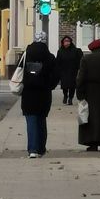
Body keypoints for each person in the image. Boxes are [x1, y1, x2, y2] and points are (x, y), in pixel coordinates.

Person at [19, 30, 59, 158]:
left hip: (28, 93)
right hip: (44, 94)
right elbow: (56, 75)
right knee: (41, 120)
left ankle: (32, 149)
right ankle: (41, 147)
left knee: (31, 120)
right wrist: (49, 85)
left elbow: (19, 71)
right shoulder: (50, 57)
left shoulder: (26, 55)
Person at [56, 35, 83, 105]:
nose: (67, 43)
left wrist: (78, 69)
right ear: (63, 42)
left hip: (72, 71)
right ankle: (65, 96)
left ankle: (70, 98)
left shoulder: (75, 50)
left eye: (68, 41)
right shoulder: (60, 51)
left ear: (70, 42)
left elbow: (79, 60)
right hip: (63, 71)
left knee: (72, 86)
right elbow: (58, 61)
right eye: (65, 41)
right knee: (64, 85)